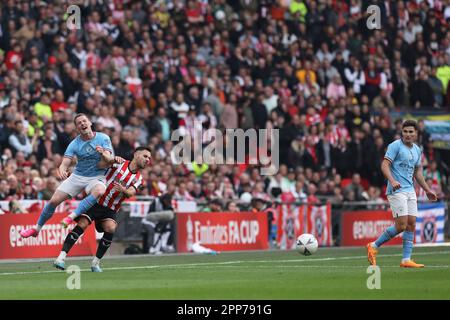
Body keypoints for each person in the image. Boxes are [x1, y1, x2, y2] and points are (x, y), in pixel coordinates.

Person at [53, 147, 151, 272]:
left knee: (111, 228)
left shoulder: (140, 180)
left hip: (111, 209)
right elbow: (99, 166)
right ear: (136, 154)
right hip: (96, 201)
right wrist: (103, 154)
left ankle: (95, 263)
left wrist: (124, 190)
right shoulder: (119, 163)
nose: (147, 160)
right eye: (145, 156)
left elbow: (130, 193)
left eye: (149, 158)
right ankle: (61, 258)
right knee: (82, 224)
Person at [20, 113, 116, 238]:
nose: (82, 124)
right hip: (78, 176)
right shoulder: (74, 144)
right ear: (77, 128)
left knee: (100, 190)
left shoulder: (103, 138)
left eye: (84, 121)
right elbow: (65, 162)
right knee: (54, 200)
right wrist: (62, 170)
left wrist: (103, 152)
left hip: (96, 177)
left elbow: (109, 159)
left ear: (90, 123)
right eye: (79, 123)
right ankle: (36, 229)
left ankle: (71, 216)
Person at [366, 120, 437, 268]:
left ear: (416, 133)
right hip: (396, 189)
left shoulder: (417, 150)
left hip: (410, 189)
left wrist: (427, 190)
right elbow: (384, 165)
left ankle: (406, 260)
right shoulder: (395, 146)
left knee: (411, 224)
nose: (408, 134)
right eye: (405, 131)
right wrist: (392, 181)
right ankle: (373, 245)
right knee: (401, 225)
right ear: (402, 132)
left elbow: (418, 172)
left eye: (411, 132)